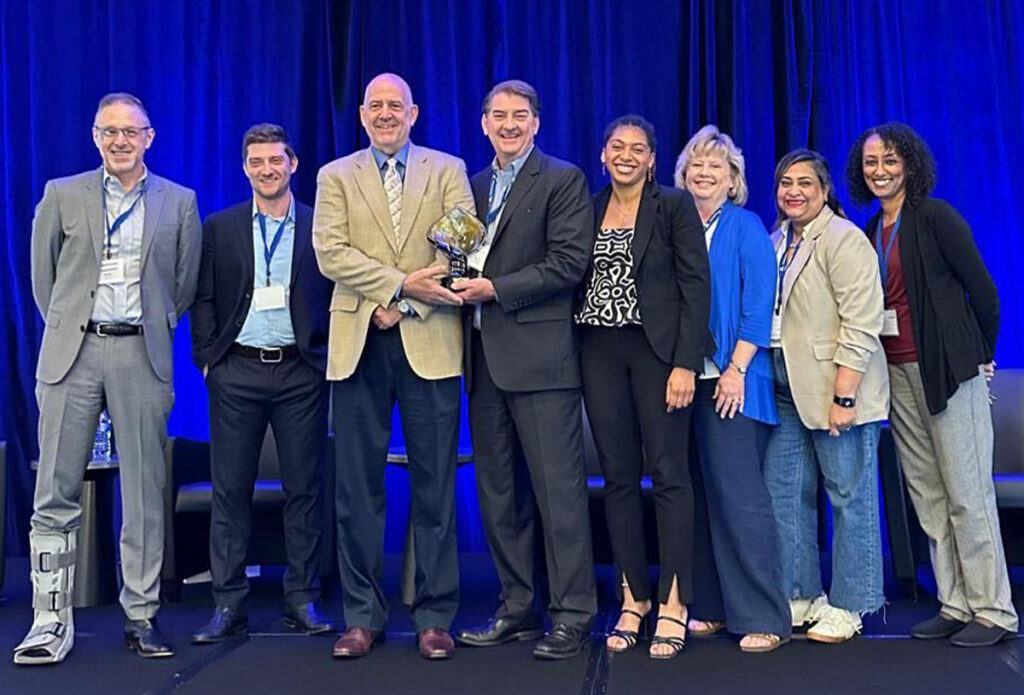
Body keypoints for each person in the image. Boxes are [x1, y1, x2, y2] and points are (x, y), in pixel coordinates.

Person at [16, 92, 201, 664]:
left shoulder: (180, 201)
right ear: (95, 137)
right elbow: (44, 281)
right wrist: (74, 326)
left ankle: (141, 616)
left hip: (140, 354)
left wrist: (145, 328)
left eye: (130, 132)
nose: (120, 141)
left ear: (150, 137)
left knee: (144, 492)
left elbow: (183, 286)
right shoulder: (61, 194)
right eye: (109, 131)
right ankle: (49, 620)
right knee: (55, 490)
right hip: (73, 354)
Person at [312, 73, 473, 661]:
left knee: (436, 486)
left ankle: (434, 617)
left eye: (395, 105)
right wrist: (396, 285)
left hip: (429, 338)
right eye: (375, 105)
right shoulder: (335, 175)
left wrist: (403, 301)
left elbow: (460, 243)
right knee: (357, 489)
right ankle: (361, 617)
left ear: (414, 112)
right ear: (362, 114)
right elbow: (330, 252)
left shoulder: (448, 169)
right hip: (359, 341)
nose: (385, 113)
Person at [845, 122, 1018, 647]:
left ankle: (993, 610)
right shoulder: (871, 230)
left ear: (910, 165)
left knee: (967, 493)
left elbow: (985, 293)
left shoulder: (937, 216)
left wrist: (979, 355)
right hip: (895, 375)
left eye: (890, 160)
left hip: (947, 372)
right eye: (871, 162)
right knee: (928, 495)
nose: (880, 171)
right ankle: (955, 602)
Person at [453, 80, 597, 660]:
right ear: (483, 123)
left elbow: (569, 263)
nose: (509, 124)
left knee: (558, 497)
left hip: (541, 364)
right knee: (499, 497)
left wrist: (495, 289)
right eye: (499, 115)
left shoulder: (563, 179)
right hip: (482, 362)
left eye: (520, 115)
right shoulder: (471, 186)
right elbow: (457, 258)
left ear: (536, 123)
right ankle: (517, 607)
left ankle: (573, 614)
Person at [190, 123, 334, 644]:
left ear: (293, 164)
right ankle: (228, 603)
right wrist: (209, 360)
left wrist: (323, 359)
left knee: (304, 489)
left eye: (276, 160)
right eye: (257, 162)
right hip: (237, 371)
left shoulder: (321, 224)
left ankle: (302, 598)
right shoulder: (220, 226)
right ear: (245, 168)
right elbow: (203, 298)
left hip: (301, 371)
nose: (267, 170)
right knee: (230, 490)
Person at [577, 115, 710, 659]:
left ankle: (674, 602)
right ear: (603, 154)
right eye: (617, 146)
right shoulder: (586, 207)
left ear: (652, 159)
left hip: (658, 356)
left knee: (670, 476)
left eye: (638, 148)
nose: (626, 155)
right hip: (598, 353)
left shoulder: (673, 206)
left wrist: (686, 364)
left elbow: (696, 286)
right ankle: (634, 598)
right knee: (618, 480)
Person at [763, 148, 888, 644]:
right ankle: (801, 593)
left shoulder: (843, 238)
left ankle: (853, 603)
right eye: (785, 183)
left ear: (824, 190)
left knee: (849, 494)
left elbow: (862, 320)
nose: (793, 192)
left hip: (835, 385)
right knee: (785, 491)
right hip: (784, 384)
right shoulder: (777, 239)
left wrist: (845, 395)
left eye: (805, 183)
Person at [675, 125, 791, 652]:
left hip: (734, 379)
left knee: (741, 500)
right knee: (700, 497)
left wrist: (736, 369)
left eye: (715, 166)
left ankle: (765, 616)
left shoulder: (745, 227)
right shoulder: (676, 223)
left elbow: (759, 304)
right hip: (687, 380)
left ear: (733, 179)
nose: (704, 172)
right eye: (696, 164)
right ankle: (713, 607)